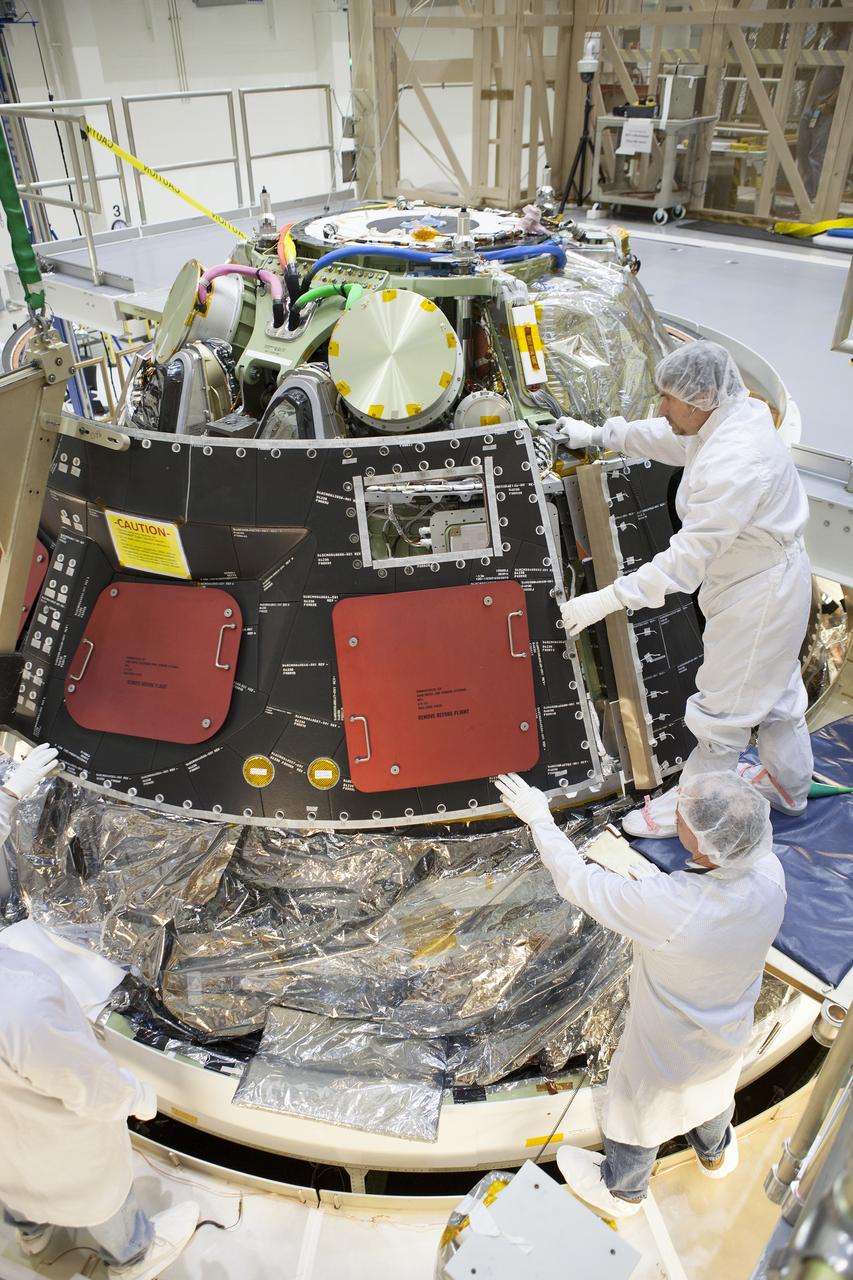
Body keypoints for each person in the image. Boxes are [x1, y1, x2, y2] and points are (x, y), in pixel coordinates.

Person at [494, 769, 786, 1216]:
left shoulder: (669, 908)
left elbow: (579, 883)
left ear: (705, 844)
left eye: (685, 815)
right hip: (727, 1036)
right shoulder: (768, 873)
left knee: (638, 1117)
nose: (679, 812)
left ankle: (624, 1192)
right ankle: (715, 1156)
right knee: (712, 1104)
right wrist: (658, 887)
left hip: (664, 1056)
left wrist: (540, 820)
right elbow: (706, 907)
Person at [558, 340, 812, 839]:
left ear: (699, 402)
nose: (661, 407)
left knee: (721, 716)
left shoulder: (734, 462)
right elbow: (671, 438)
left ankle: (693, 814)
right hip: (770, 576)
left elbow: (685, 561)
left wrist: (605, 598)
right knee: (778, 693)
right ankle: (788, 787)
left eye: (668, 398)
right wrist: (600, 434)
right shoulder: (729, 419)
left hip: (758, 595)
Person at [0, 743, 199, 1279]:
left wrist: (8, 796)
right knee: (92, 1193)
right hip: (54, 1140)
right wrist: (136, 1096)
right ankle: (133, 1256)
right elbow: (84, 1084)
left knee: (13, 1183)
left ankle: (31, 1236)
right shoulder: (18, 1003)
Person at [796, 23, 851, 202]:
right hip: (813, 104)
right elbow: (820, 72)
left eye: (835, 22)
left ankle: (813, 195)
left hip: (829, 108)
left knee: (817, 152)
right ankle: (807, 188)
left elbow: (848, 78)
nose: (831, 26)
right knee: (802, 147)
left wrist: (830, 102)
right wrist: (810, 101)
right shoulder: (830, 42)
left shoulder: (850, 41)